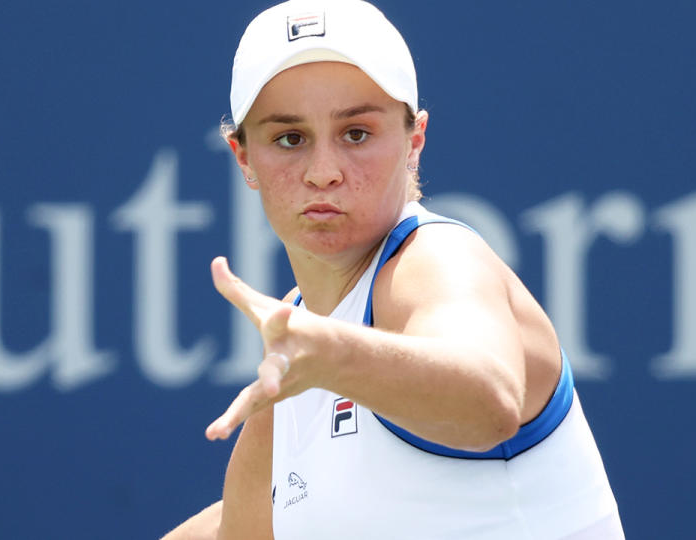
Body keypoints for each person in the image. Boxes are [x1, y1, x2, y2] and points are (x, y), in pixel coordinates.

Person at [162, 0, 624, 538]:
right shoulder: (299, 357)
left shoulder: (437, 259)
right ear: (244, 158)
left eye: (356, 133)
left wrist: (331, 354)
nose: (324, 172)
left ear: (414, 141)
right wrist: (323, 356)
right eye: (290, 139)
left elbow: (488, 397)